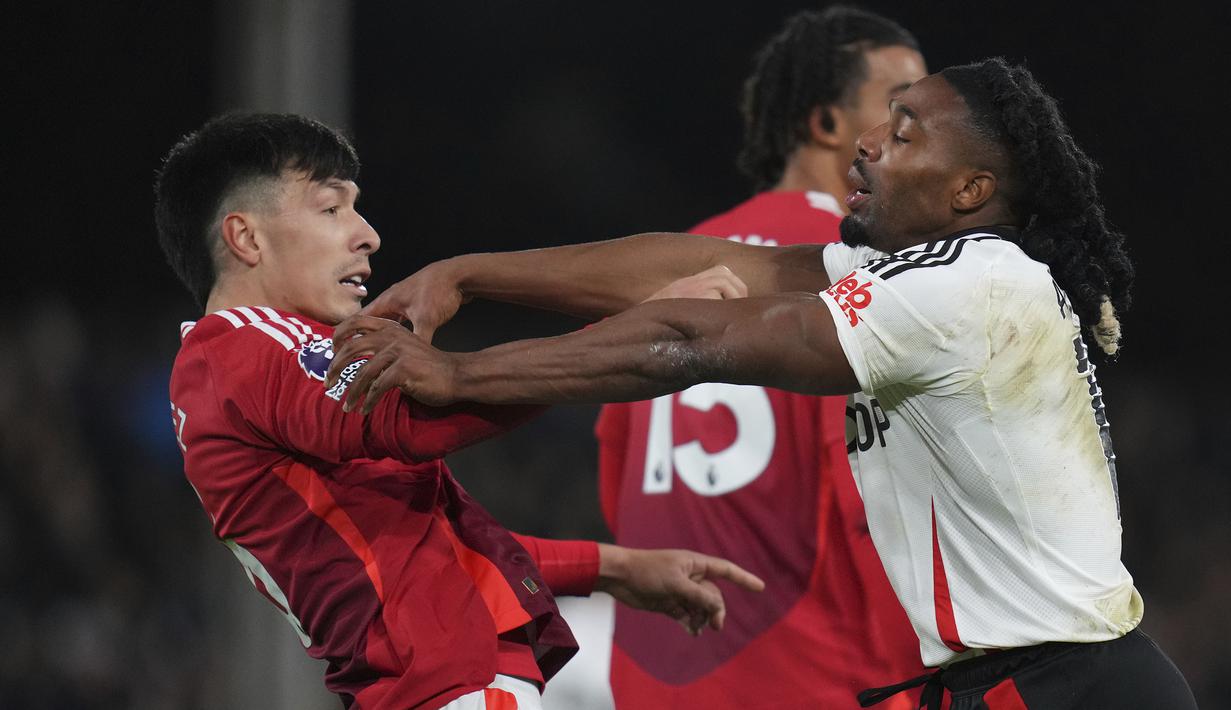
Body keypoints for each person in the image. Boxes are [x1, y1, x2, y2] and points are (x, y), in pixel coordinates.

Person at [326, 58, 1198, 709]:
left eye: (903, 135)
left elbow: (689, 340)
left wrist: (459, 373)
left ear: (970, 188)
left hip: (1061, 687)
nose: (868, 144)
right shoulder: (938, 274)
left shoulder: (966, 289)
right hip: (1033, 679)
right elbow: (709, 268)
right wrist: (472, 274)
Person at [154, 113, 764, 710]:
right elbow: (417, 418)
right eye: (332, 208)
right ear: (246, 238)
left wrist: (616, 568)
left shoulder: (250, 372)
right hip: (450, 688)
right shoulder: (240, 347)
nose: (367, 235)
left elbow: (445, 551)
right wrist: (639, 328)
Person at [593, 7, 926, 708]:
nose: (924, 133)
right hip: (817, 681)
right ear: (828, 124)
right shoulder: (864, 274)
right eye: (901, 109)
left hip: (655, 684)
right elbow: (876, 508)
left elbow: (617, 477)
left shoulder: (674, 269)